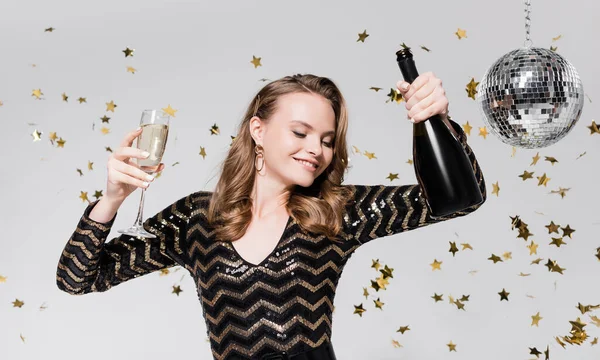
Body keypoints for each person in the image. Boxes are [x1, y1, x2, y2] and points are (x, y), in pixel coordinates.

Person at [56, 73, 486, 360]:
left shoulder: (338, 211)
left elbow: (462, 198)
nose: (315, 149)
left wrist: (437, 122)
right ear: (258, 130)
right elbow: (78, 278)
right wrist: (111, 200)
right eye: (300, 132)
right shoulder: (196, 218)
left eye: (327, 139)